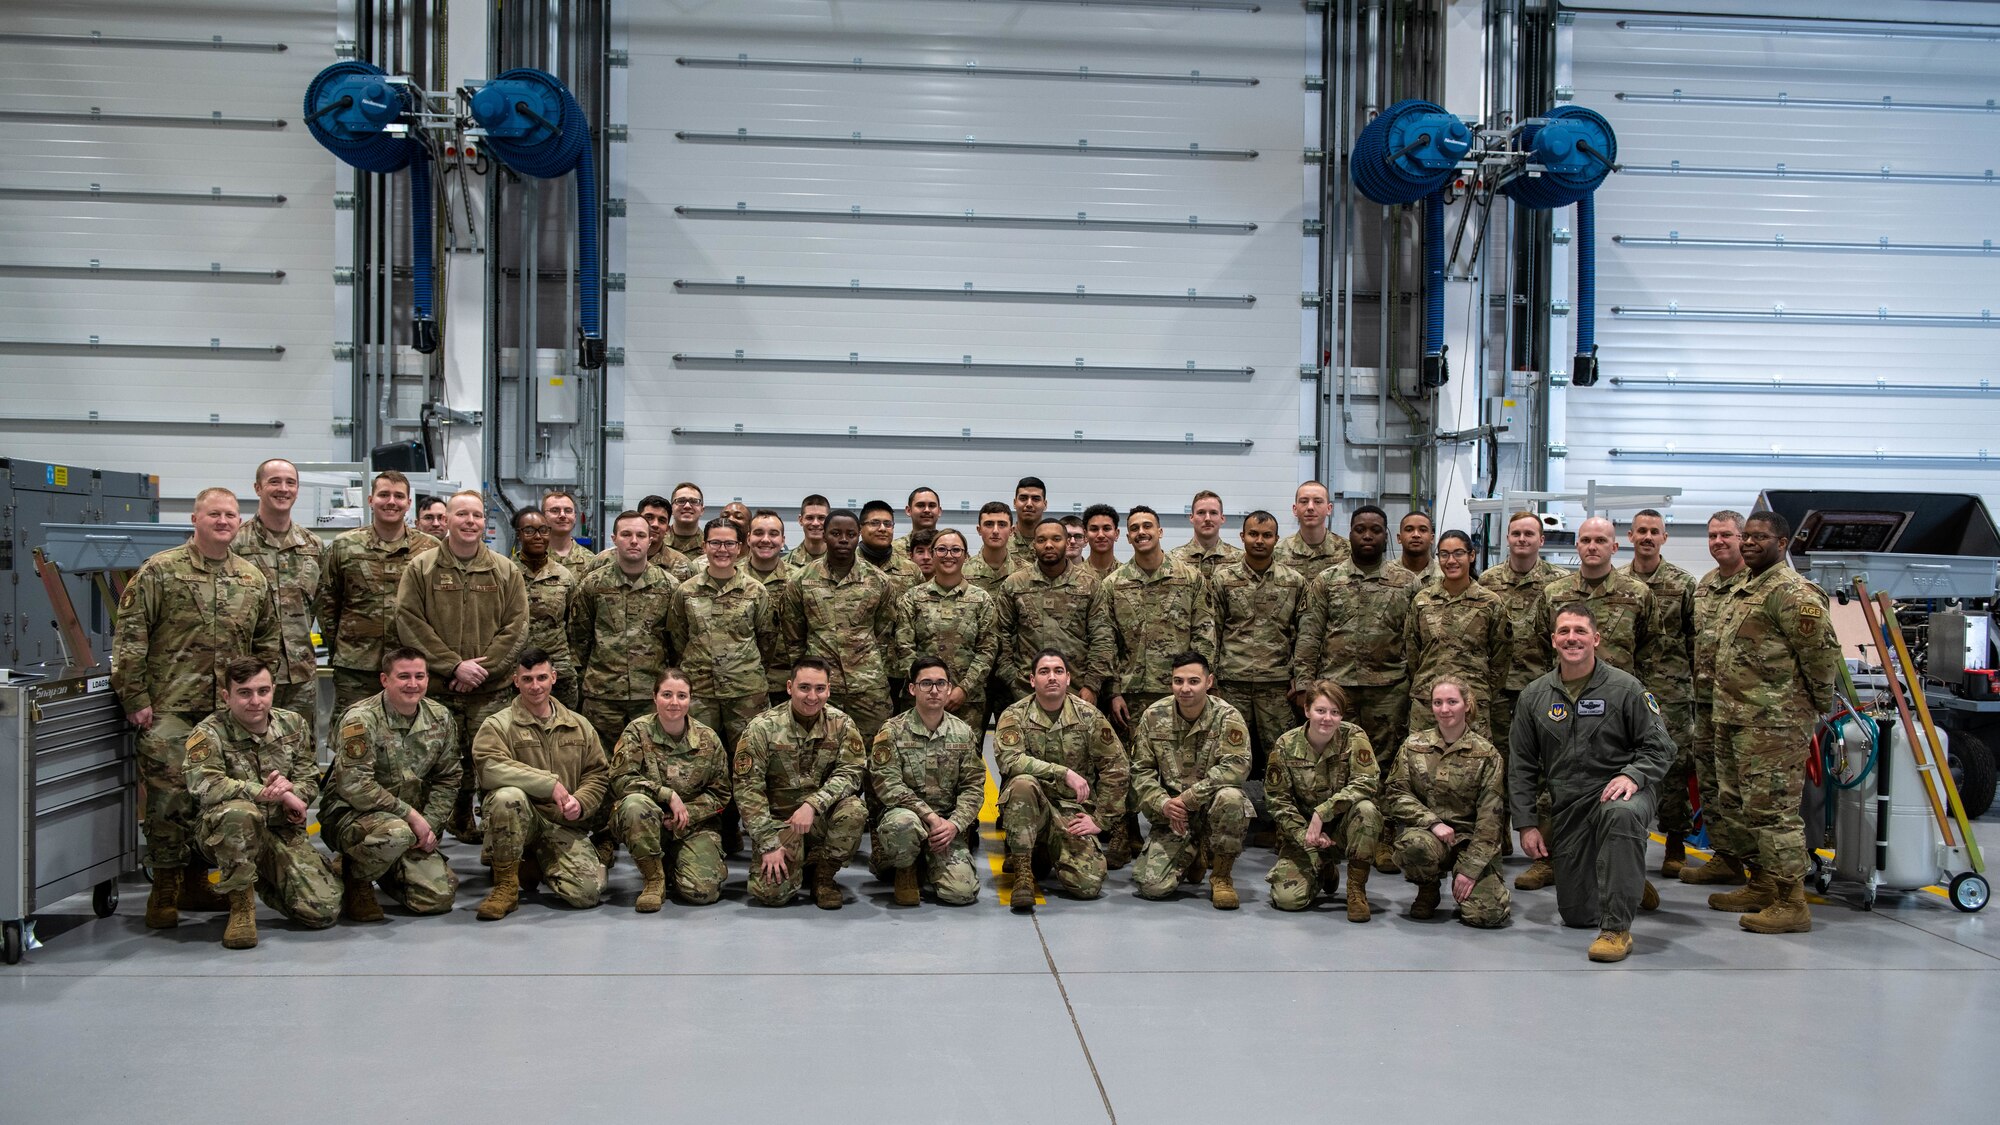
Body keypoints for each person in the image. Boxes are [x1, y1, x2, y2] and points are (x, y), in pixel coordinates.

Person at [113, 485, 281, 929]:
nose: (223, 521)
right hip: (171, 706)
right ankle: (165, 884)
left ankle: (198, 879)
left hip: (229, 714)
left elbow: (266, 644)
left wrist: (259, 699)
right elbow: (130, 638)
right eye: (214, 514)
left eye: (230, 514)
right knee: (169, 800)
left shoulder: (251, 579)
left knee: (224, 797)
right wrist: (136, 698)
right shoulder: (159, 571)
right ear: (195, 519)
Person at [1510, 604, 1675, 963]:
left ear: (1596, 639)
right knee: (1577, 915)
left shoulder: (1625, 688)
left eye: (1580, 631)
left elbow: (1661, 747)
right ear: (1553, 640)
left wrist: (1632, 774)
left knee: (1620, 815)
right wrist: (1526, 824)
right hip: (1569, 805)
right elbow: (1521, 766)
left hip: (1621, 792)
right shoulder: (1534, 697)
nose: (1572, 638)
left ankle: (1617, 929)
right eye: (1565, 631)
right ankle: (1624, 877)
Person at [1707, 510, 1840, 934]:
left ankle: (1791, 900)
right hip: (1733, 716)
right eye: (1746, 536)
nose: (1748, 543)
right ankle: (1761, 883)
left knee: (1773, 812)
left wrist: (1813, 706)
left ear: (1782, 543)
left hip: (1775, 723)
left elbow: (1820, 656)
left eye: (1759, 537)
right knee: (1737, 804)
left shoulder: (1793, 592)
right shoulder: (1744, 588)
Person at [1519, 515, 1653, 891]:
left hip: (1617, 707)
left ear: (1615, 546)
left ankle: (1625, 870)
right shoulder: (1553, 593)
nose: (1592, 547)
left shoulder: (1638, 593)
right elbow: (1535, 643)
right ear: (1577, 546)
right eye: (1585, 540)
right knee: (1556, 782)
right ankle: (1551, 859)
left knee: (1615, 791)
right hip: (1564, 701)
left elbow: (1652, 650)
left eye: (1600, 540)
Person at [395, 489, 530, 841]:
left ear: (485, 522)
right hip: (439, 689)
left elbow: (516, 627)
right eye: (462, 515)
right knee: (433, 766)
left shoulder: (504, 570)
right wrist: (454, 666)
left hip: (491, 691)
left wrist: (481, 671)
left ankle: (495, 840)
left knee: (491, 764)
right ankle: (426, 839)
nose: (470, 522)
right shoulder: (421, 568)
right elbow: (409, 621)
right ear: (448, 520)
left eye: (477, 515)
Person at [183, 657, 343, 948]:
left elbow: (308, 778)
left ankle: (264, 876)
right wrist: (264, 792)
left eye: (263, 691)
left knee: (322, 910)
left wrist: (296, 795)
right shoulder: (208, 732)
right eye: (244, 693)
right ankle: (241, 905)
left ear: (272, 690)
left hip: (280, 832)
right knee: (239, 813)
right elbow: (203, 784)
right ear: (226, 696)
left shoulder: (292, 724)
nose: (255, 701)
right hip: (221, 835)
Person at [1293, 504, 1416, 873]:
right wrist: (1304, 684)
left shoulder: (1406, 582)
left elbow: (1415, 639)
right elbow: (1310, 633)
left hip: (1387, 688)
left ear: (1385, 536)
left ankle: (1378, 835)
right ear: (1348, 533)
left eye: (1375, 530)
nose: (1367, 535)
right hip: (1336, 688)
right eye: (1360, 529)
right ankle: (1328, 833)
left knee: (1383, 762)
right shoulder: (1327, 581)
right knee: (1333, 764)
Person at [319, 647, 461, 921]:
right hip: (353, 817)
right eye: (403, 676)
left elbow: (448, 778)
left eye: (419, 676)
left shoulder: (440, 718)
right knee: (397, 833)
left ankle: (383, 866)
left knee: (436, 899)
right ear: (385, 680)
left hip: (409, 824)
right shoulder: (360, 719)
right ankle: (355, 877)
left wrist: (428, 825)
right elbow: (355, 785)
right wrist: (411, 817)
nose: (413, 684)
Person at [471, 648, 611, 919]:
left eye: (541, 678)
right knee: (506, 796)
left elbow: (597, 774)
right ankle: (506, 885)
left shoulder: (579, 725)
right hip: (520, 819)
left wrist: (580, 802)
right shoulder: (498, 725)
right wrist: (549, 785)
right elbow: (489, 769)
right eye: (527, 679)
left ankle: (534, 862)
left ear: (554, 678)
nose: (535, 686)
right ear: (516, 681)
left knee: (587, 893)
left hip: (561, 824)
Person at [995, 649, 1128, 911]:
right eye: (1044, 672)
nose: (1051, 677)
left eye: (1058, 671)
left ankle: (1044, 852)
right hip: (1032, 808)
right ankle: (1023, 874)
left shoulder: (1088, 716)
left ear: (1068, 678)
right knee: (1022, 783)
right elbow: (1009, 760)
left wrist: (1101, 820)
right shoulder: (1015, 714)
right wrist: (1062, 772)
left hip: (1072, 812)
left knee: (1088, 886)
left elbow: (1117, 767)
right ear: (1032, 681)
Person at [734, 659, 869, 909]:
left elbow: (852, 771)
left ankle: (824, 876)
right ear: (789, 687)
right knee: (771, 896)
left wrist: (813, 804)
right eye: (804, 687)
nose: (812, 696)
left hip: (819, 818)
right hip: (780, 823)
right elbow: (747, 789)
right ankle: (799, 860)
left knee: (854, 810)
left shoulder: (841, 724)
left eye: (820, 689)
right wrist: (768, 843)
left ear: (828, 690)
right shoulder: (762, 727)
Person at [1129, 653, 1253, 908]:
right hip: (1174, 813)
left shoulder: (1227, 717)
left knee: (1231, 797)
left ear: (1209, 682)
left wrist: (1190, 798)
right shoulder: (1153, 716)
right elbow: (1141, 770)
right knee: (1151, 886)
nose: (1185, 688)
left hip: (1211, 807)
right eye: (1178, 681)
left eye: (1193, 681)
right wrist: (1163, 803)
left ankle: (1221, 876)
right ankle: (1195, 853)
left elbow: (1237, 766)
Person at [1386, 677, 1509, 928]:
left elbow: (1491, 819)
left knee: (1487, 916)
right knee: (1413, 844)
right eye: (1438, 702)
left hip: (1471, 840)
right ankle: (1428, 888)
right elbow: (1396, 794)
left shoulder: (1487, 754)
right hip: (1431, 836)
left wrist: (1471, 869)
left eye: (1452, 702)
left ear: (1466, 704)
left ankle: (1464, 878)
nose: (1444, 709)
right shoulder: (1413, 746)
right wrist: (1431, 822)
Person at [318, 470, 441, 718]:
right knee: (352, 733)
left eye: (398, 496)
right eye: (384, 494)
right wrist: (342, 648)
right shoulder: (344, 545)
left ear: (408, 503)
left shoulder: (430, 548)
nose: (391, 502)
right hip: (357, 666)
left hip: (411, 666)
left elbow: (440, 607)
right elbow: (326, 603)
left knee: (411, 736)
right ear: (370, 499)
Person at [1211, 511, 1312, 809]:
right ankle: (1228, 817)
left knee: (1279, 757)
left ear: (1276, 540)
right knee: (1229, 753)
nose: (1259, 540)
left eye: (1266, 535)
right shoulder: (1223, 579)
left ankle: (1279, 821)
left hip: (1277, 686)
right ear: (1242, 537)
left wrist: (1301, 679)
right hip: (1232, 683)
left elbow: (1304, 634)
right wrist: (1210, 678)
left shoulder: (1294, 582)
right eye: (1253, 534)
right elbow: (1211, 629)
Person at [608, 669, 732, 910]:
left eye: (682, 696)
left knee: (702, 893)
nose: (674, 702)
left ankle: (672, 864)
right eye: (667, 694)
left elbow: (721, 793)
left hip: (692, 827)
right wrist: (666, 795)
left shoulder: (708, 739)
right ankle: (653, 880)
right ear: (654, 697)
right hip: (647, 822)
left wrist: (685, 815)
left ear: (690, 699)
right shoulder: (637, 732)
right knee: (634, 805)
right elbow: (620, 779)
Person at [570, 510, 679, 777]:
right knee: (600, 767)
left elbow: (678, 640)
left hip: (650, 695)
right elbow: (579, 637)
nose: (634, 541)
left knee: (652, 765)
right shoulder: (593, 584)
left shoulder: (669, 586)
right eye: (626, 534)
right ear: (614, 539)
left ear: (651, 539)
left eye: (641, 535)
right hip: (602, 695)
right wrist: (586, 680)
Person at [1476, 510, 1568, 826]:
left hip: (1542, 686)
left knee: (1543, 760)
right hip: (1499, 688)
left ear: (1541, 540)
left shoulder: (1559, 584)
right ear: (1508, 539)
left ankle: (1543, 838)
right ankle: (1497, 835)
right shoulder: (1489, 580)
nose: (1522, 539)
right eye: (1516, 534)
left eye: (1529, 534)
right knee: (1498, 759)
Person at [868, 658, 985, 906]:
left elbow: (972, 788)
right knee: (903, 824)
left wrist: (954, 825)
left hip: (945, 825)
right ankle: (906, 868)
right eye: (926, 684)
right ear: (912, 689)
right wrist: (929, 817)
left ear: (949, 688)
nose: (934, 690)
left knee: (962, 893)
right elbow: (888, 785)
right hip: (905, 816)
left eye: (940, 684)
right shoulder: (892, 731)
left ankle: (924, 860)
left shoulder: (963, 733)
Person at [1264, 681, 1382, 920]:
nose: (1327, 718)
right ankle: (1323, 868)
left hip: (1342, 829)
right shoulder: (1286, 744)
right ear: (1307, 710)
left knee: (1367, 809)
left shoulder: (1354, 736)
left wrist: (1322, 813)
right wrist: (1306, 835)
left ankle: (1356, 890)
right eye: (1320, 710)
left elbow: (1367, 780)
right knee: (1287, 900)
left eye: (1335, 712)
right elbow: (1278, 800)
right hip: (1304, 833)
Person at [778, 509, 898, 742]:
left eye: (850, 534)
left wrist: (873, 668)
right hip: (820, 689)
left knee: (874, 752)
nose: (843, 539)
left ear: (859, 536)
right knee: (819, 749)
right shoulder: (801, 581)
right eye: (835, 533)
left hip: (869, 689)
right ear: (823, 535)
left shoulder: (879, 581)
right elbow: (793, 638)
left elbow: (886, 634)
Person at [1622, 509, 1698, 876]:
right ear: (1630, 536)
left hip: (1672, 692)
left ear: (1664, 538)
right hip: (1627, 690)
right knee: (1622, 763)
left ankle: (1675, 843)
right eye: (1641, 531)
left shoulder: (1684, 584)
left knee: (1674, 768)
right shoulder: (1616, 582)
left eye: (1655, 531)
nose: (1648, 537)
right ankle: (1625, 839)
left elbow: (1695, 640)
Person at [1680, 511, 1753, 887]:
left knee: (1746, 790)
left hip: (1748, 710)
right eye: (1712, 536)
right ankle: (1725, 857)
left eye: (1726, 535)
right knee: (1712, 785)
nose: (1718, 542)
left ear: (1743, 538)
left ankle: (1760, 872)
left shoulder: (1758, 584)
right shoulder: (1705, 586)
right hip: (1707, 705)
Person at [231, 458, 324, 744]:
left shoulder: (313, 546)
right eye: (274, 482)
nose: (283, 489)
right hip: (249, 678)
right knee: (246, 750)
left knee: (297, 750)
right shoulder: (235, 543)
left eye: (290, 482)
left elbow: (324, 605)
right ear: (257, 488)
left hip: (299, 676)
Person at [1103, 505, 1218, 729]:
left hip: (1179, 691)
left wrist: (1199, 684)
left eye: (1147, 526)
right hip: (1130, 695)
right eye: (1134, 528)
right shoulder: (1113, 584)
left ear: (1160, 531)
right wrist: (1112, 692)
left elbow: (1204, 635)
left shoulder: (1190, 579)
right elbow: (1107, 643)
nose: (1141, 532)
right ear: (1128, 538)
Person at [669, 517, 776, 752]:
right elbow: (678, 638)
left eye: (729, 544)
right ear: (705, 546)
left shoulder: (756, 591)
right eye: (715, 543)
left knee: (749, 755)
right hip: (700, 691)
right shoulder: (686, 591)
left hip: (746, 692)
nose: (722, 550)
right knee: (698, 755)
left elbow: (767, 640)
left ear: (740, 547)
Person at [1403, 530, 1509, 740]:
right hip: (1427, 701)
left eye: (1458, 553)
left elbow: (1501, 657)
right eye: (1444, 554)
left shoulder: (1490, 603)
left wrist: (1480, 692)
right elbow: (1412, 650)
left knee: (1472, 762)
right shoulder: (1423, 600)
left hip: (1472, 703)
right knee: (1423, 762)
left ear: (1472, 555)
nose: (1451, 560)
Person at [893, 528, 998, 732]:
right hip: (919, 702)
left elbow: (987, 651)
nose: (948, 555)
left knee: (965, 762)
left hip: (967, 703)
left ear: (966, 556)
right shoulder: (912, 598)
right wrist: (925, 688)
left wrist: (964, 689)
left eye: (956, 550)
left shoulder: (981, 600)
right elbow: (904, 647)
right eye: (941, 550)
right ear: (932, 554)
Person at [513, 506, 580, 710]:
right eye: (529, 531)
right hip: (517, 667)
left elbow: (574, 624)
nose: (538, 536)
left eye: (543, 530)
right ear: (518, 535)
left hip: (558, 667)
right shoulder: (506, 572)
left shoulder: (563, 576)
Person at [1274, 480, 1350, 580]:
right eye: (1304, 502)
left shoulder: (1348, 551)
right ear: (1295, 509)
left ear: (1329, 508)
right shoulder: (1277, 552)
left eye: (1318, 502)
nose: (1310, 507)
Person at [1169, 490, 1242, 579]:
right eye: (1201, 513)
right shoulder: (1173, 559)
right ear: (1191, 518)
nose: (1207, 518)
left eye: (1213, 513)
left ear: (1222, 518)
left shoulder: (1240, 559)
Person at [858, 499, 923, 597]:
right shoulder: (847, 565)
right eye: (875, 523)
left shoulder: (911, 570)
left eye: (887, 524)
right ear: (860, 529)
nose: (882, 529)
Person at [966, 501, 1018, 593]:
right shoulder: (962, 572)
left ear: (1011, 530)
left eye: (1002, 524)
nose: (995, 531)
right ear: (979, 530)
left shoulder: (1026, 572)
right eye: (989, 524)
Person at [540, 489, 596, 571]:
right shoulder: (530, 559)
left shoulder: (590, 561)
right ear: (542, 517)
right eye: (555, 510)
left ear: (575, 517)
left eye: (568, 511)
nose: (562, 515)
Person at [1007, 477, 1049, 572]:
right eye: (1023, 498)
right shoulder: (1002, 540)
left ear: (1045, 504)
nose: (1029, 504)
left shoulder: (1053, 543)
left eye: (1036, 499)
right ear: (1014, 503)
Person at [1393, 511, 1440, 586]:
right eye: (1409, 530)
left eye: (1423, 530)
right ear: (1399, 538)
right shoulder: (1386, 573)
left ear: (1432, 538)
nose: (1416, 535)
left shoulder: (1445, 574)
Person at [894, 486, 943, 558]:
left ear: (939, 511)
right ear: (908, 511)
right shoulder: (894, 549)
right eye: (920, 505)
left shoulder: (950, 548)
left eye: (932, 506)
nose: (927, 510)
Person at [786, 493, 831, 568]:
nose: (815, 523)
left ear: (829, 520)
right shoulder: (786, 564)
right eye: (809, 518)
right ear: (800, 520)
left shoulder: (842, 563)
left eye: (821, 518)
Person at [1082, 503, 1121, 579]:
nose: (1101, 535)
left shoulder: (1129, 575)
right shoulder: (1073, 576)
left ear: (1116, 534)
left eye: (1106, 529)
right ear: (1085, 535)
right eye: (1094, 529)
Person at [666, 481, 706, 555]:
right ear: (671, 509)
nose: (687, 506)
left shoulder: (711, 544)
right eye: (681, 501)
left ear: (702, 510)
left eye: (694, 501)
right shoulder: (657, 543)